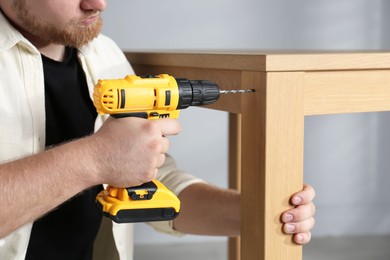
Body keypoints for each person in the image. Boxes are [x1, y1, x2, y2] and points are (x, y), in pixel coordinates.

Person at [0, 0, 316, 259]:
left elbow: (151, 187)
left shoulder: (104, 55)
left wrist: (252, 213)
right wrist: (95, 160)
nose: (98, 4)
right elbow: (108, 159)